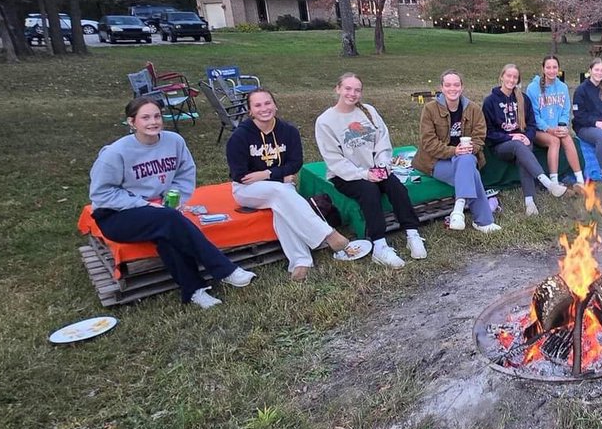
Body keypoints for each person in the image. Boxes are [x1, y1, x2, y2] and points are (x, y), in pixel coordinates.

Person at [89, 97, 256, 309]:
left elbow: (185, 173)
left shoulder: (174, 141)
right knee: (168, 220)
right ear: (132, 122)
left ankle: (193, 291)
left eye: (157, 116)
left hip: (159, 211)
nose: (153, 122)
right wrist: (145, 204)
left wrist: (172, 198)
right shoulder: (115, 153)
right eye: (145, 117)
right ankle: (225, 269)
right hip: (115, 215)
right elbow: (101, 194)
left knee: (167, 231)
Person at [228, 88, 371, 281]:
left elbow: (295, 164)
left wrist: (267, 173)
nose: (264, 108)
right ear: (250, 111)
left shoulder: (288, 131)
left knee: (282, 204)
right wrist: (279, 177)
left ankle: (300, 261)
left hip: (280, 188)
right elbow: (240, 175)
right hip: (247, 190)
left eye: (268, 103)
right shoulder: (240, 136)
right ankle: (328, 234)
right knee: (281, 193)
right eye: (258, 105)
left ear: (275, 105)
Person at [314, 73, 428, 267]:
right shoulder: (325, 121)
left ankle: (412, 233)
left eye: (357, 90)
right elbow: (334, 159)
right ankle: (379, 245)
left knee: (396, 186)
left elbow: (382, 141)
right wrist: (364, 175)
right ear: (338, 89)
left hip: (374, 168)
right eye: (348, 88)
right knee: (369, 191)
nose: (352, 93)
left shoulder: (368, 111)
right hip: (346, 175)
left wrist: (382, 165)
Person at [415, 69, 501, 233]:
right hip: (436, 162)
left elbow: (479, 139)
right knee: (472, 173)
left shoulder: (473, 109)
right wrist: (455, 151)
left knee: (467, 159)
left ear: (462, 87)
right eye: (448, 85)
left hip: (464, 160)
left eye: (456, 85)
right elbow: (429, 143)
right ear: (442, 87)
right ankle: (483, 221)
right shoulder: (430, 109)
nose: (452, 89)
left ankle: (458, 210)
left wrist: (470, 148)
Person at [483, 62, 569, 216]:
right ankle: (547, 183)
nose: (511, 79)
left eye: (515, 77)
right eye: (508, 76)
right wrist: (511, 136)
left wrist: (528, 137)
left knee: (523, 149)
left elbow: (531, 124)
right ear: (501, 77)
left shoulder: (523, 99)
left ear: (518, 80)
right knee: (518, 145)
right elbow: (488, 133)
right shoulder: (490, 101)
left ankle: (530, 202)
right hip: (501, 145)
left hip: (522, 143)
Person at [525, 55, 585, 188]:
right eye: (548, 67)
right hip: (539, 130)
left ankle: (580, 179)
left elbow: (565, 110)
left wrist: (562, 126)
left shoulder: (562, 87)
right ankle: (554, 181)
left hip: (557, 128)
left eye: (554, 67)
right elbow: (533, 116)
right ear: (543, 69)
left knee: (567, 138)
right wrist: (548, 129)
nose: (551, 71)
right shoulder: (532, 88)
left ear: (558, 69)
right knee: (555, 140)